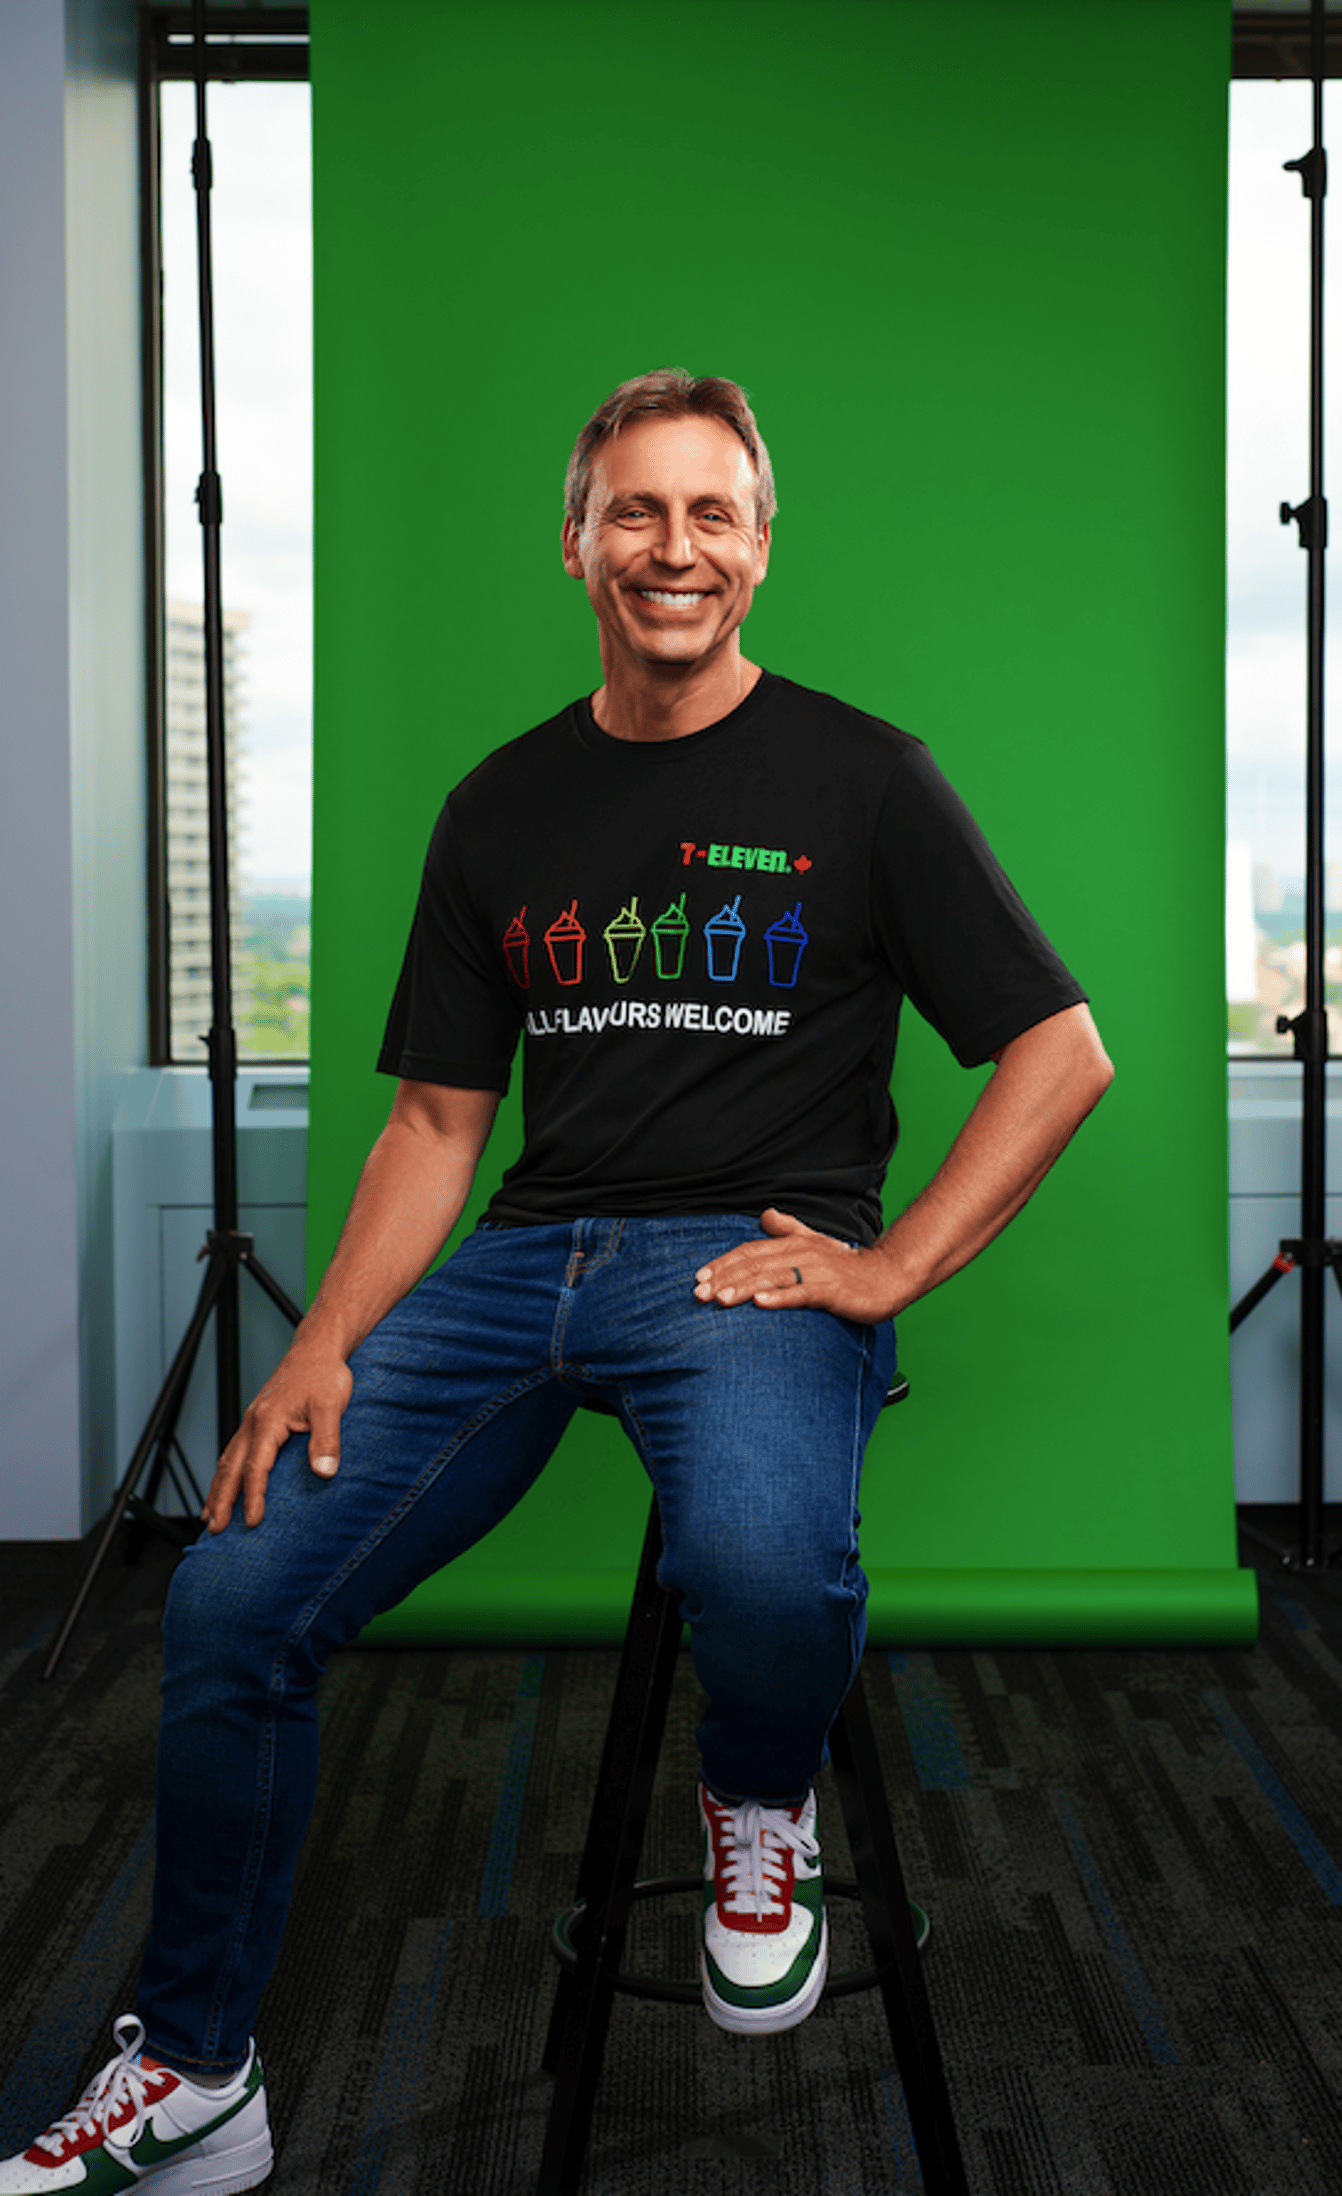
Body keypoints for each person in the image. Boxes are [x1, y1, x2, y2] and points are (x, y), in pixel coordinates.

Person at [2, 370, 1111, 2192]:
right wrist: (325, 1342)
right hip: (527, 1263)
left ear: (760, 549)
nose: (673, 547)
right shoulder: (499, 806)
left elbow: (1058, 1048)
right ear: (577, 541)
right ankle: (197, 2075)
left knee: (758, 1564)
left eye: (711, 515)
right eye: (636, 512)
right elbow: (439, 1123)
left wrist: (895, 1260)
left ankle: (759, 1797)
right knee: (233, 1595)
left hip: (742, 1263)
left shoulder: (863, 776)